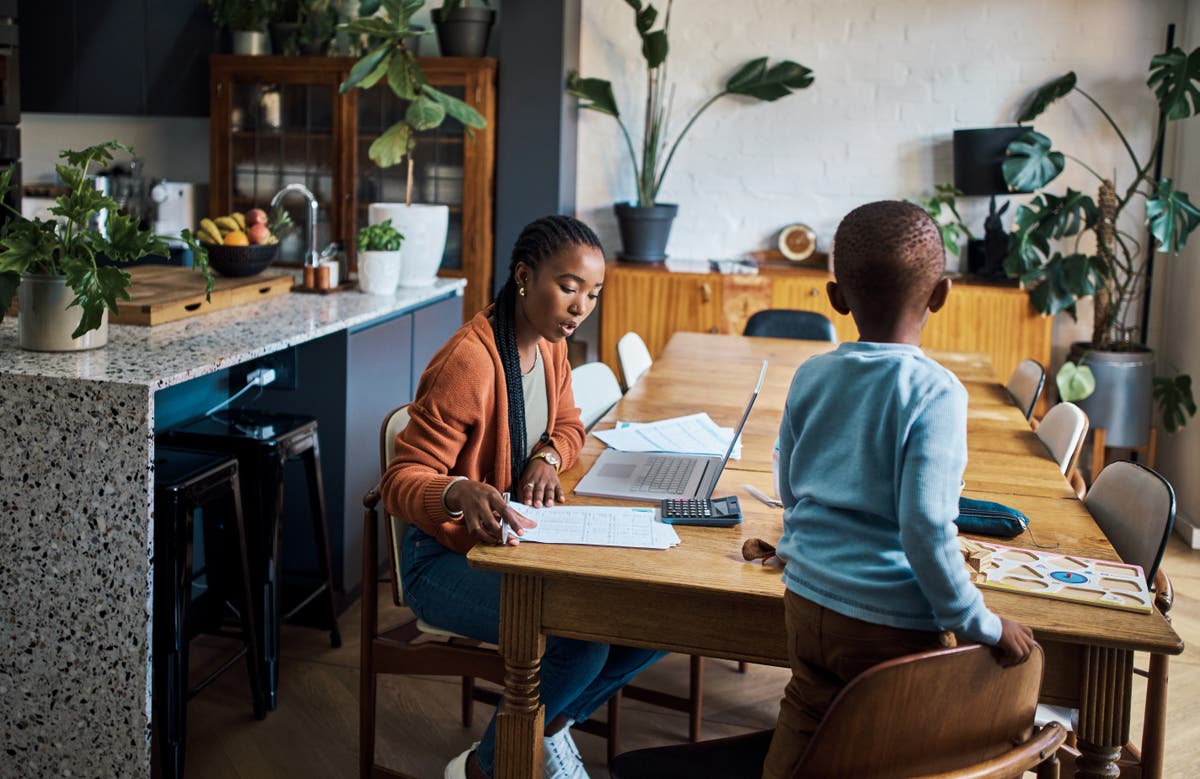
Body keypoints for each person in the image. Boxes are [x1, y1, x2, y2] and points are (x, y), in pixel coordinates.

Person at [380, 214, 663, 779]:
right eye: (568, 287)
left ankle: (545, 726)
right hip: (443, 560)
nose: (581, 306)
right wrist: (458, 490)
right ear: (525, 277)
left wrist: (547, 456)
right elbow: (400, 479)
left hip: (517, 542)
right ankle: (487, 769)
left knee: (653, 618)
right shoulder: (469, 361)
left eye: (593, 293)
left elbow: (571, 425)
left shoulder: (552, 343)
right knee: (580, 646)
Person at [762, 201, 1036, 778]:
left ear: (837, 298)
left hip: (806, 598)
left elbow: (788, 484)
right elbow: (926, 528)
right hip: (886, 619)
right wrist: (981, 622)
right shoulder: (936, 392)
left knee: (805, 720)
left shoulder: (811, 374)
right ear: (941, 293)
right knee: (901, 752)